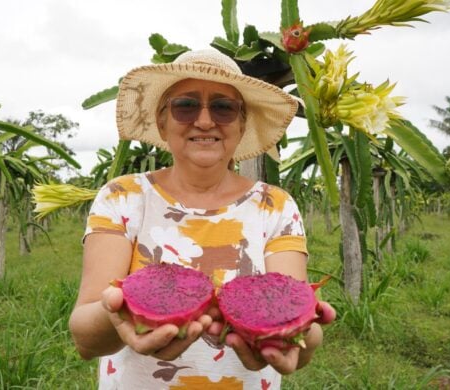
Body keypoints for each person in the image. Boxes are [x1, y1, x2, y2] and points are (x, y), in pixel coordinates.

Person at [69, 49, 336, 389]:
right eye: (186, 106)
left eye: (224, 108)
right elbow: (85, 340)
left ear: (241, 125)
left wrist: (305, 336)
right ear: (163, 121)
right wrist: (119, 311)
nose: (205, 121)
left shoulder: (276, 206)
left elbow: (295, 323)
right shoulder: (122, 197)